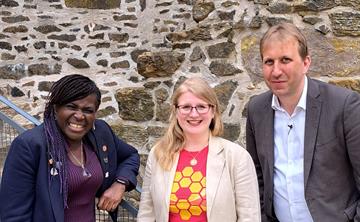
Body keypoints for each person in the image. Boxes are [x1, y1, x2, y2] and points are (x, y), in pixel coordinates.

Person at [246, 22, 360, 222]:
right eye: (269, 62)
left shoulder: (344, 106)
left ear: (306, 63)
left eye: (285, 60)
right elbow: (258, 177)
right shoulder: (256, 110)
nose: (276, 71)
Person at [0, 74, 140, 222]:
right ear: (55, 108)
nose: (79, 116)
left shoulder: (100, 133)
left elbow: (131, 156)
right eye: (71, 107)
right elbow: (13, 216)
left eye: (87, 110)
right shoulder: (30, 145)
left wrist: (120, 184)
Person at [138, 77, 261, 222]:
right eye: (186, 107)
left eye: (201, 107)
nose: (194, 114)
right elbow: (146, 213)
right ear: (176, 111)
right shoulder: (158, 154)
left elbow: (249, 216)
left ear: (213, 110)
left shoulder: (236, 157)